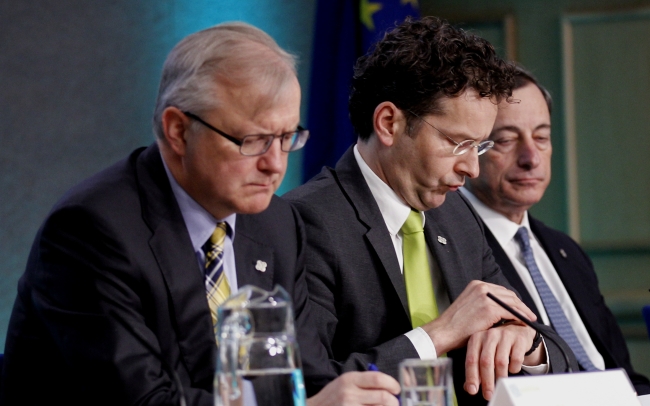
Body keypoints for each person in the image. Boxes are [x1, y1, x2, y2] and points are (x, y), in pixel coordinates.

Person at [1, 22, 401, 406]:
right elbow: (145, 400)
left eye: (286, 138)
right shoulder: (91, 232)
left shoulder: (278, 224)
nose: (275, 165)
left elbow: (307, 376)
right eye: (254, 140)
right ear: (178, 130)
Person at [284, 16, 576, 405]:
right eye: (458, 144)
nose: (472, 168)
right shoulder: (304, 221)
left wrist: (527, 342)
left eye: (480, 146)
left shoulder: (456, 214)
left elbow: (557, 350)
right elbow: (310, 387)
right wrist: (439, 334)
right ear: (389, 123)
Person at [462, 66, 650, 395]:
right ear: (469, 146)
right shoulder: (450, 247)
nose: (531, 157)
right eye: (506, 140)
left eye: (542, 137)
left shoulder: (567, 251)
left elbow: (624, 376)